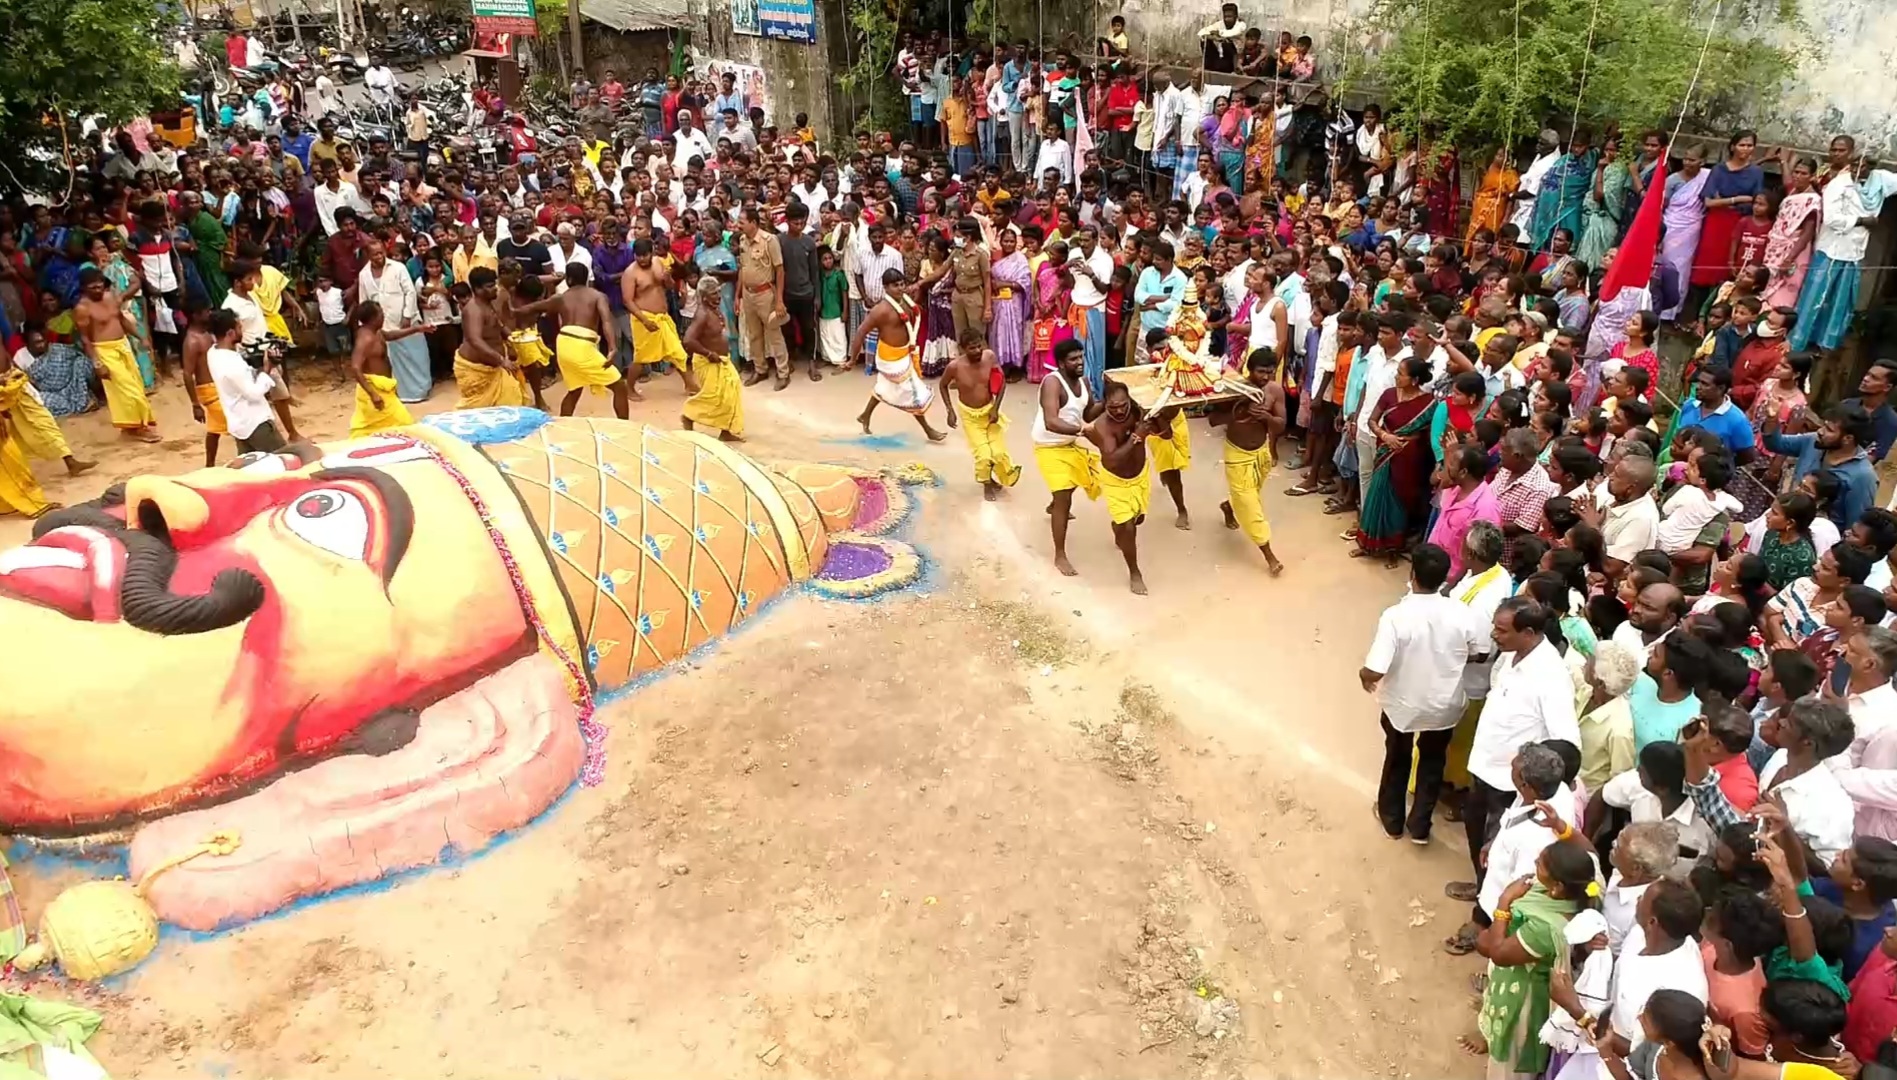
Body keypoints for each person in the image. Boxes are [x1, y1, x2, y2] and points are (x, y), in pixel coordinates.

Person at [1455, 597, 1581, 907]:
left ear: (1527, 632)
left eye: (1501, 630)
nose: (1494, 635)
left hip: (1509, 785)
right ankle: (1480, 886)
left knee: (1499, 853)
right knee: (1477, 836)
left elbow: (1565, 742)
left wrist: (1534, 789)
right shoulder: (1510, 655)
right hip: (1483, 765)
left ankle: (1484, 916)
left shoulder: (1551, 677)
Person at [1363, 541, 1484, 842]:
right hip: (1444, 704)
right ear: (1445, 577)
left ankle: (1392, 820)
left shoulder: (1395, 616)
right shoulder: (1461, 612)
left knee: (1398, 757)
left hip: (1402, 705)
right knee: (1432, 762)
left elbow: (1376, 668)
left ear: (1413, 574)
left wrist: (1364, 676)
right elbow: (1480, 652)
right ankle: (1420, 827)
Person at [1354, 355, 1439, 564]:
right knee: (1377, 496)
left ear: (1415, 380)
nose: (1396, 376)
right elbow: (1372, 420)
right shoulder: (1389, 395)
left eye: (1401, 373)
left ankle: (1393, 548)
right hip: (1385, 452)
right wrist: (1385, 436)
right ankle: (1367, 544)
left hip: (1411, 460)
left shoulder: (1428, 404)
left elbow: (1430, 436)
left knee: (1400, 503)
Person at [1211, 347, 1288, 575]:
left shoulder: (1275, 390)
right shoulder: (1234, 389)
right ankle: (1269, 556)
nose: (1265, 377)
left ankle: (1228, 506)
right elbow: (1213, 419)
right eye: (1261, 371)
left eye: (1270, 372)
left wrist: (1266, 417)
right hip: (1237, 454)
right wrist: (1239, 413)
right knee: (1251, 505)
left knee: (1249, 494)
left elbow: (1281, 424)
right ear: (1249, 370)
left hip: (1261, 452)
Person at [849, 267, 946, 441]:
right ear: (885, 288)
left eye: (902, 284)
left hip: (904, 353)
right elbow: (860, 333)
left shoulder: (906, 301)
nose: (901, 288)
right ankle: (928, 430)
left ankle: (865, 415)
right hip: (890, 358)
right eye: (895, 285)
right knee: (913, 393)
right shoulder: (881, 310)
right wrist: (852, 359)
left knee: (884, 387)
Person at [1082, 379, 1155, 595]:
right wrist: (1137, 438)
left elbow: (1165, 432)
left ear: (1130, 401)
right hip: (1116, 480)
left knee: (1138, 518)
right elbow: (1112, 460)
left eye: (1124, 405)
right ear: (1104, 405)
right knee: (1129, 528)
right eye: (1113, 407)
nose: (1120, 411)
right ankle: (1134, 572)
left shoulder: (1138, 412)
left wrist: (1157, 422)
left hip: (1140, 475)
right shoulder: (1102, 426)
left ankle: (1118, 526)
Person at [72, 267, 158, 443]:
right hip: (104, 351)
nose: (98, 290)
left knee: (135, 384)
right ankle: (140, 428)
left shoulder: (110, 297)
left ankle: (131, 427)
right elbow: (85, 339)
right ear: (84, 288)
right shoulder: (82, 308)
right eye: (93, 287)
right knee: (128, 389)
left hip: (123, 345)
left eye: (100, 286)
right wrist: (97, 363)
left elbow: (122, 320)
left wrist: (141, 337)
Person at [939, 328, 1022, 500]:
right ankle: (987, 483)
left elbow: (1001, 382)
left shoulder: (989, 357)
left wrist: (995, 409)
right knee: (983, 454)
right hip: (970, 415)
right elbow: (942, 385)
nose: (977, 351)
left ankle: (1001, 477)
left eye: (979, 347)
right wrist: (950, 411)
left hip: (989, 411)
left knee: (998, 453)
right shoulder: (954, 367)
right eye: (972, 348)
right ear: (962, 349)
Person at [552, 263, 629, 420]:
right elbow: (606, 321)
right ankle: (626, 425)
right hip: (582, 345)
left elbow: (531, 309)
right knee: (619, 386)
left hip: (563, 343)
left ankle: (561, 425)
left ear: (568, 279)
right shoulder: (597, 296)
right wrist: (612, 347)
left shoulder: (560, 297)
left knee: (575, 389)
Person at [346, 299, 431, 438]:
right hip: (375, 389)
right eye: (381, 314)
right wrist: (372, 393)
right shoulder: (365, 338)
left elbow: (390, 335)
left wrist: (417, 329)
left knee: (369, 426)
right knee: (404, 422)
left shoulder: (377, 332)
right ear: (372, 318)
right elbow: (355, 367)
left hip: (384, 387)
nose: (383, 316)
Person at [204, 308, 285, 453]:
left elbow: (243, 379)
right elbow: (253, 393)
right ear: (230, 333)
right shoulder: (231, 362)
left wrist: (262, 366)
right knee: (284, 461)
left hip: (239, 425)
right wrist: (267, 368)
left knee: (253, 468)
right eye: (239, 327)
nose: (242, 330)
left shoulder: (213, 353)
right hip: (255, 424)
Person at [679, 276, 744, 441]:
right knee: (713, 396)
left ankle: (726, 431)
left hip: (722, 360)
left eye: (719, 292)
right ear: (704, 297)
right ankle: (689, 415)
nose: (718, 296)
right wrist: (709, 354)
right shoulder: (702, 315)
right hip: (707, 362)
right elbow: (688, 340)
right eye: (714, 294)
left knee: (732, 390)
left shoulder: (714, 309)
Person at [453, 267, 525, 409]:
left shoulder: (488, 303)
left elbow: (497, 324)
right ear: (477, 289)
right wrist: (501, 360)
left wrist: (512, 337)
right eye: (490, 286)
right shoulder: (474, 310)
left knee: (510, 404)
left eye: (495, 284)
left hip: (494, 367)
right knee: (477, 414)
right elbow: (475, 340)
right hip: (475, 370)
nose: (495, 288)